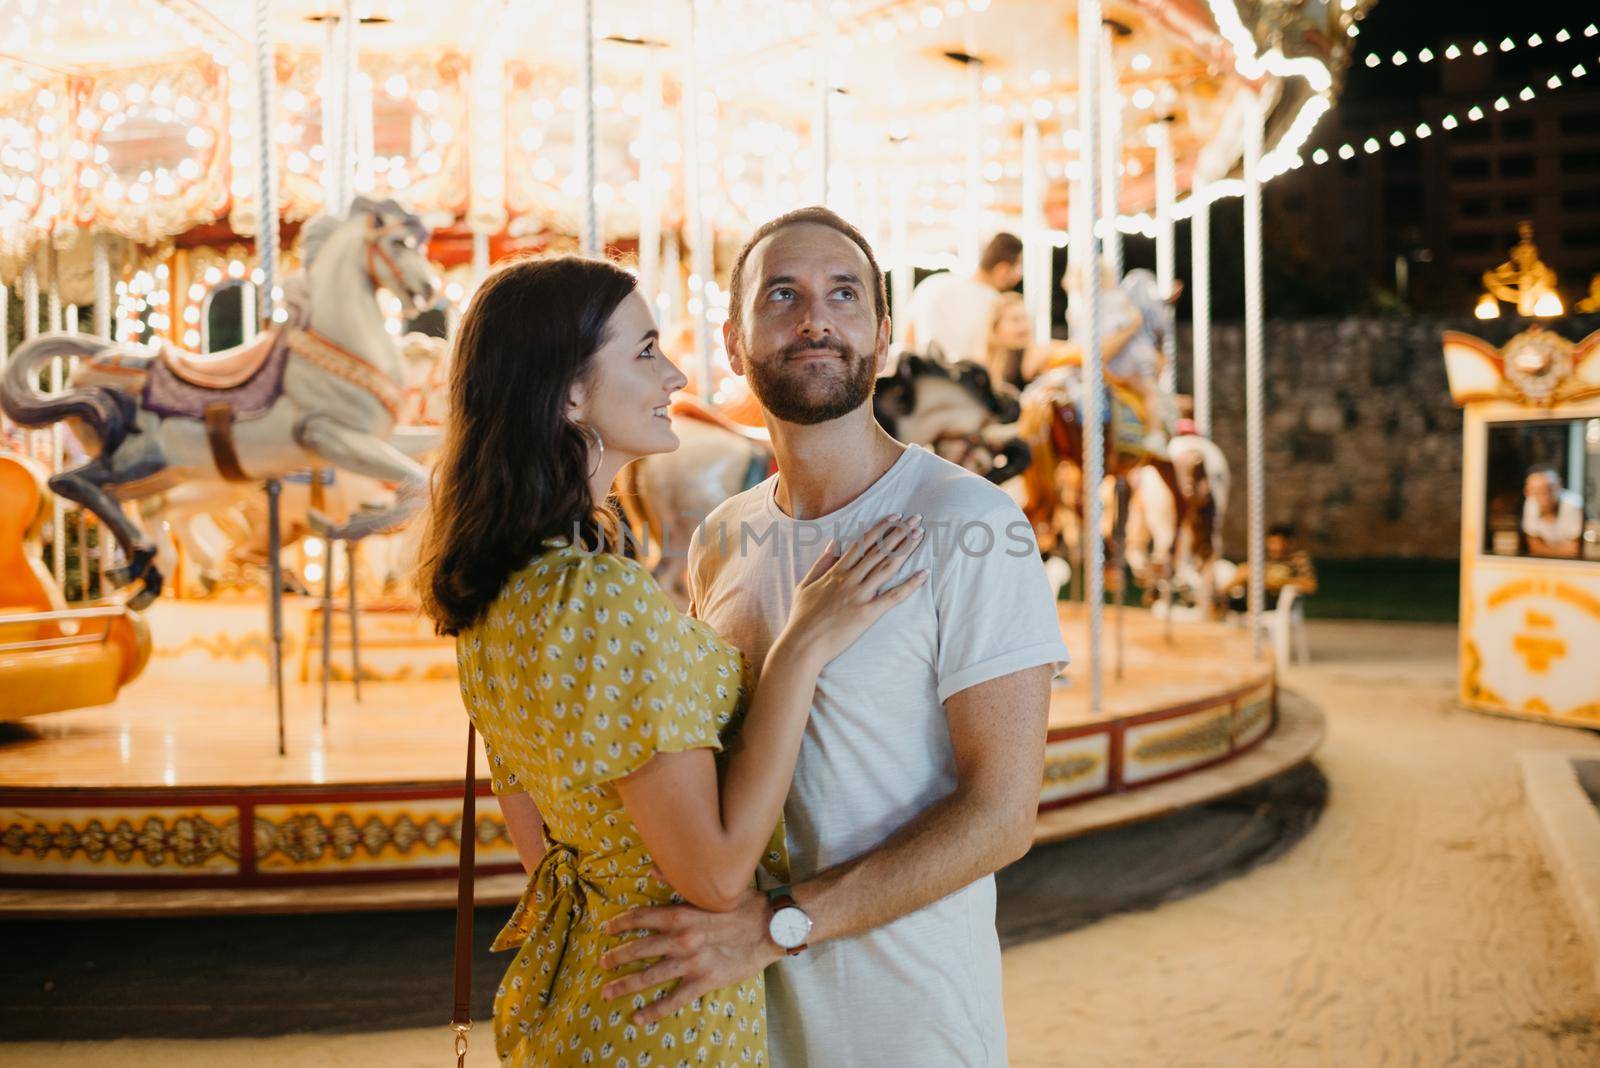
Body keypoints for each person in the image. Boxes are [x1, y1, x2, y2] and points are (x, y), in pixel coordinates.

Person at [416, 255, 927, 1066]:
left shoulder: (499, 592)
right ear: (571, 391)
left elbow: (540, 843)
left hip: (595, 985)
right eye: (646, 351)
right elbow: (718, 881)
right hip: (667, 1015)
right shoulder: (596, 596)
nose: (677, 374)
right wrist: (801, 646)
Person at [602, 207, 1070, 1067]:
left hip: (907, 1022)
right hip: (745, 1016)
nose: (816, 318)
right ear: (735, 344)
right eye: (782, 296)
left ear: (883, 336)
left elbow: (1002, 814)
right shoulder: (722, 537)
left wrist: (778, 927)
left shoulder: (972, 524)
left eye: (843, 295)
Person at [902, 231, 1024, 362]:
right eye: (1018, 269)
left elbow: (909, 335)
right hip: (970, 377)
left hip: (927, 375)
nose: (1018, 277)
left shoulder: (932, 283)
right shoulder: (995, 303)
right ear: (1002, 269)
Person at [1227, 522, 1318, 614]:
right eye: (1271, 543)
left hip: (1275, 601)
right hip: (1253, 597)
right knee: (1244, 571)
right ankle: (1220, 595)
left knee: (1248, 573)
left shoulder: (1298, 559)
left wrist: (1279, 582)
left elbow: (1311, 585)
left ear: (1290, 543)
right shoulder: (1267, 558)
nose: (1274, 547)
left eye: (1278, 543)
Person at [1522, 466, 1583, 558]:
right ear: (1527, 492)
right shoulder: (1531, 503)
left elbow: (1574, 550)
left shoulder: (1573, 504)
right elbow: (1534, 547)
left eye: (1549, 489)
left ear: (1559, 485)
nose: (1544, 496)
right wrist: (1561, 550)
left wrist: (1544, 550)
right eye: (1537, 491)